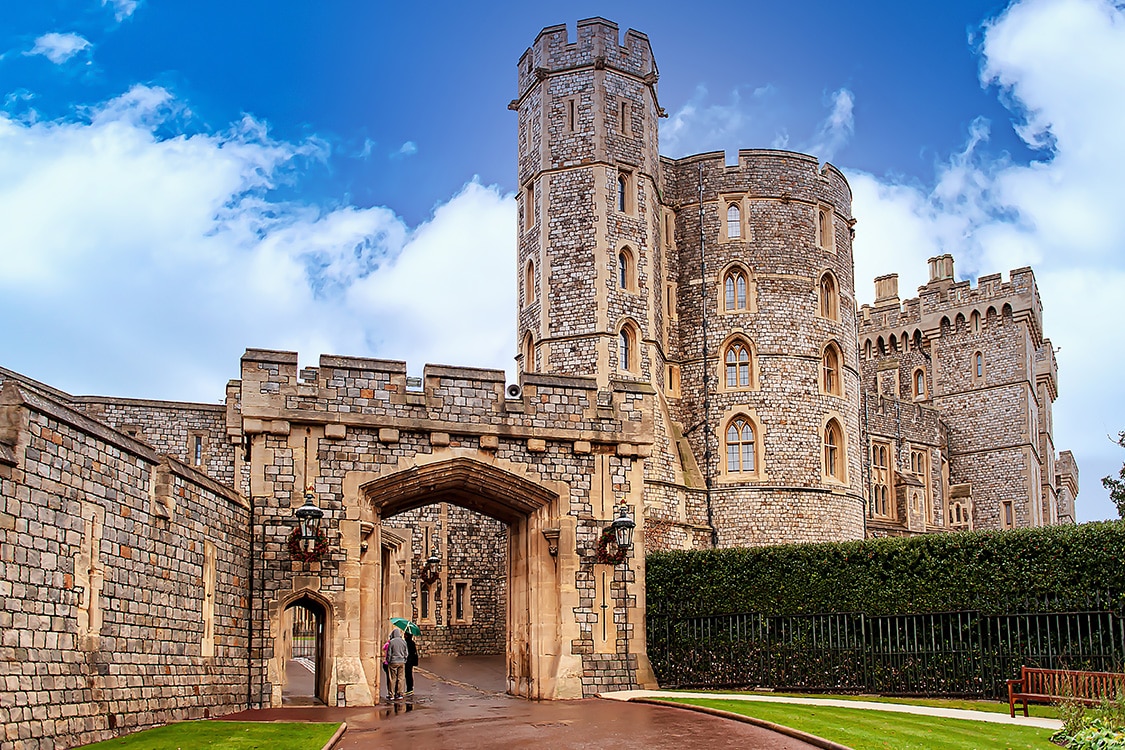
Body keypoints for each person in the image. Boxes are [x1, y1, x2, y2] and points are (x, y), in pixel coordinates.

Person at [386, 628, 408, 700]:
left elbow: (389, 653)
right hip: (401, 662)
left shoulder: (391, 642)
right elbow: (406, 653)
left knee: (392, 678)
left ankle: (391, 694)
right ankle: (400, 694)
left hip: (393, 661)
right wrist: (404, 659)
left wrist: (388, 661)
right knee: (401, 678)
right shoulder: (403, 642)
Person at [404, 631, 419, 698]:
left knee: (406, 675)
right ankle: (410, 689)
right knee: (409, 675)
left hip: (407, 661)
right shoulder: (412, 643)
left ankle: (408, 689)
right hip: (411, 661)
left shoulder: (406, 643)